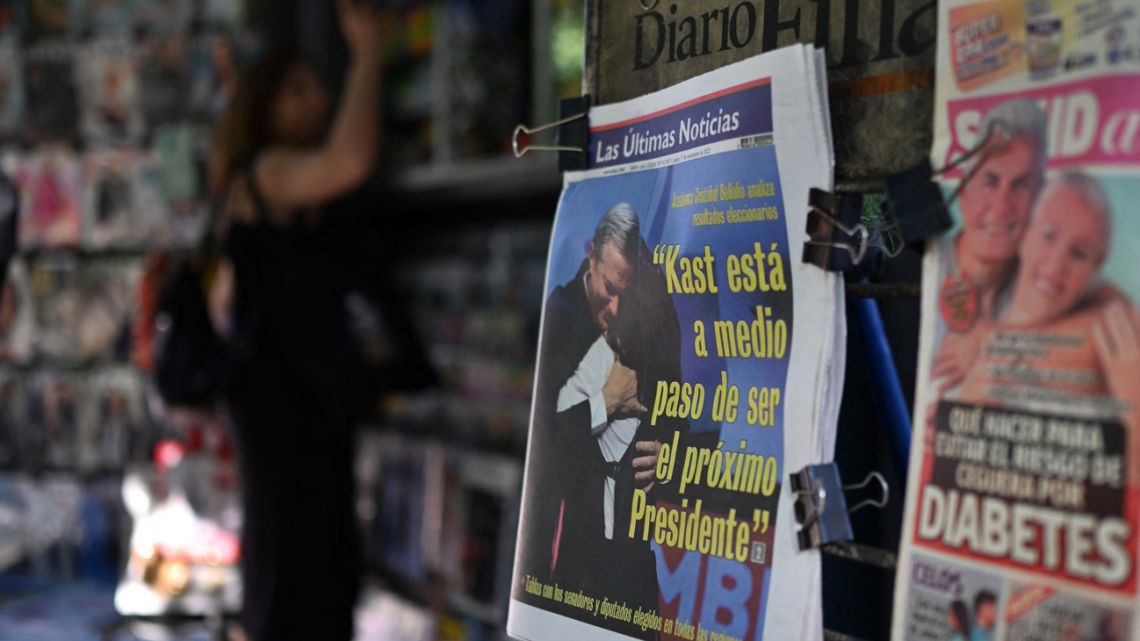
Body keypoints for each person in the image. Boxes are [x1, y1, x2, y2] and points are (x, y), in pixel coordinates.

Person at [205, 2, 385, 640]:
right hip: (286, 411)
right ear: (266, 104)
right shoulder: (267, 174)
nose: (317, 99)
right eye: (300, 88)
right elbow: (350, 162)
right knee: (296, 562)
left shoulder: (259, 187)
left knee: (299, 558)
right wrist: (367, 53)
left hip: (294, 410)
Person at [518, 203, 676, 637]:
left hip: (633, 557)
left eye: (630, 292)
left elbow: (685, 407)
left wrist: (671, 455)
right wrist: (604, 401)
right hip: (572, 556)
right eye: (609, 287)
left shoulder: (655, 307)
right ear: (591, 257)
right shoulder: (562, 316)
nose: (617, 307)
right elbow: (547, 452)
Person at [957, 173, 1140, 482]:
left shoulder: (1110, 336)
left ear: (1094, 271)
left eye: (1078, 254)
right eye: (1048, 235)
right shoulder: (960, 326)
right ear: (1025, 236)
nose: (1055, 266)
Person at [931, 98, 1047, 392]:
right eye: (990, 181)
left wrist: (996, 340)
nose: (1001, 207)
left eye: (1021, 185)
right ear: (964, 191)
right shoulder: (918, 268)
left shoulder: (1047, 287)